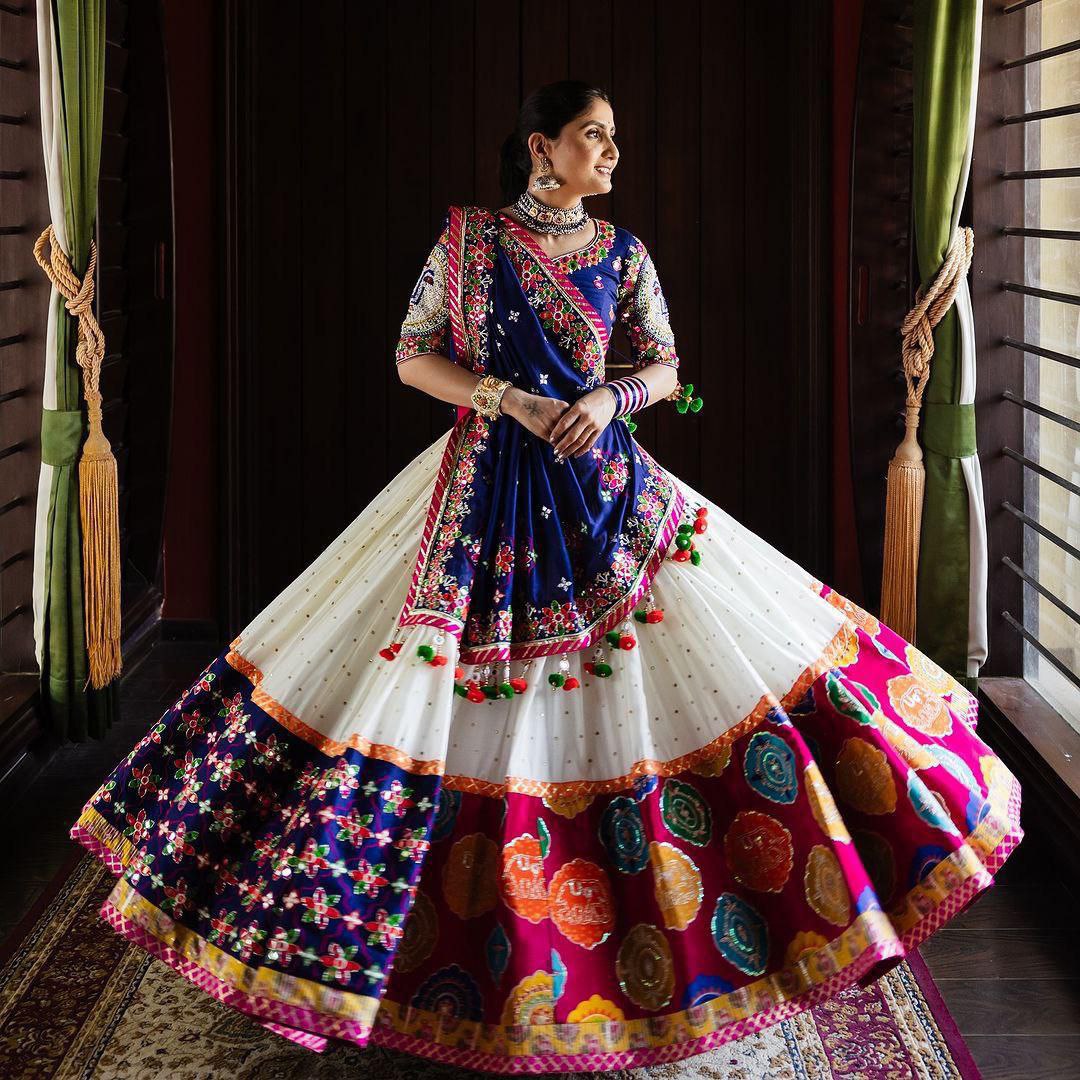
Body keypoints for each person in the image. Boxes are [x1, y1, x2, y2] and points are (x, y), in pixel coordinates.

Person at [71, 80, 1022, 1073]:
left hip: (606, 490)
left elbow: (664, 364)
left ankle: (636, 954)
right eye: (594, 138)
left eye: (614, 141)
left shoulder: (625, 254)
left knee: (674, 679)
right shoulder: (471, 244)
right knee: (419, 691)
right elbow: (411, 355)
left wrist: (613, 400)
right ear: (543, 147)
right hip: (480, 487)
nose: (611, 157)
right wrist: (508, 401)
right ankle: (411, 957)